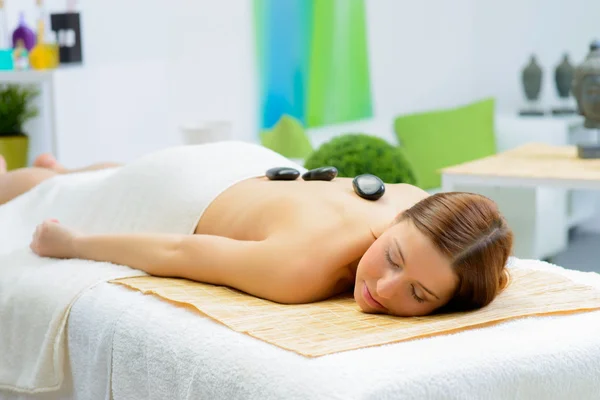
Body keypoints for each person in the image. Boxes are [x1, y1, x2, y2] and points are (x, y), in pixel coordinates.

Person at [0, 142, 513, 317]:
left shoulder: (428, 209)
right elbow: (178, 249)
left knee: (103, 176)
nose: (382, 288)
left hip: (254, 164)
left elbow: (481, 244)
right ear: (396, 223)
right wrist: (71, 243)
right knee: (61, 196)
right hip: (177, 190)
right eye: (394, 258)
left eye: (419, 294)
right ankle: (24, 177)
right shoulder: (300, 269)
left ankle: (63, 168)